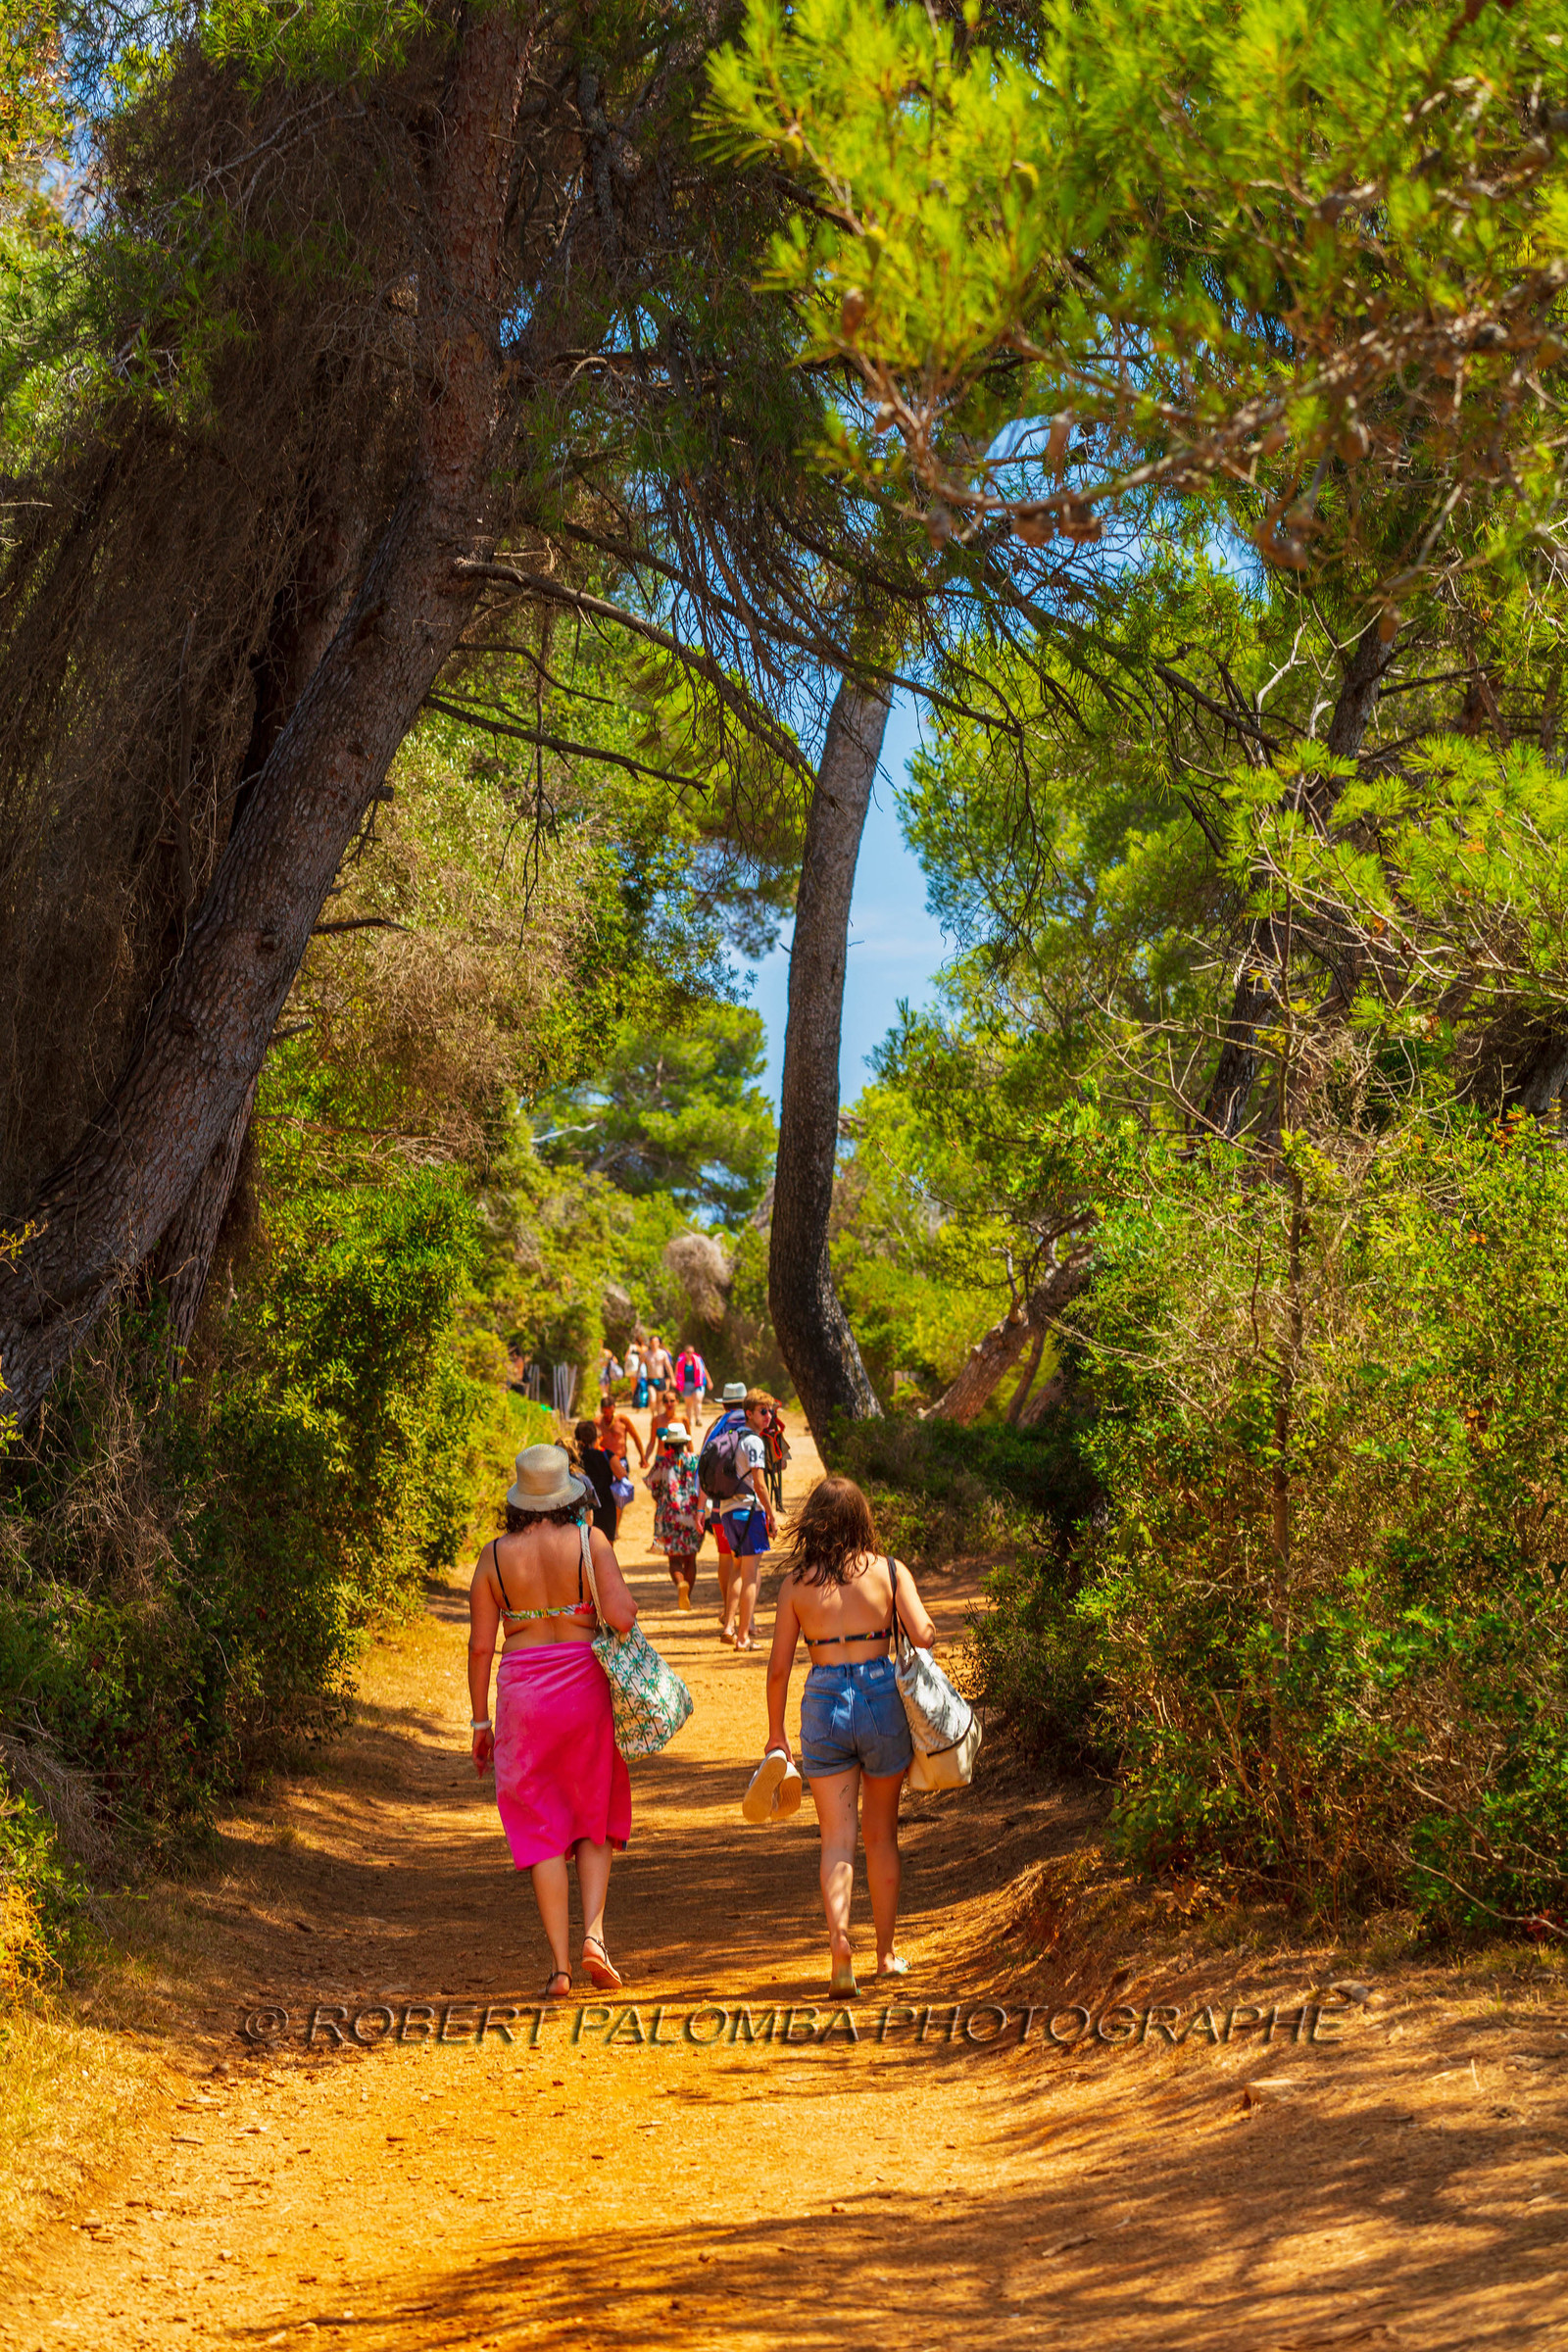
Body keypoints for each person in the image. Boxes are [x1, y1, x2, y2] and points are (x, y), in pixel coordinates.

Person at [467, 1444, 640, 1998]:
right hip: (584, 1687)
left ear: (520, 1499)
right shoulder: (590, 1542)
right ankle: (594, 1935)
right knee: (592, 1809)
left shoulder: (493, 1558)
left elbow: (478, 1647)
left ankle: (561, 1968)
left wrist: (478, 1723)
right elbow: (620, 1615)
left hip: (522, 1696)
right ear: (566, 1494)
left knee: (539, 1825)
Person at [759, 1475, 937, 1995]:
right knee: (881, 1836)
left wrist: (776, 1735)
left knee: (836, 1839)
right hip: (881, 1697)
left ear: (814, 1521)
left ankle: (840, 1944)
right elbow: (923, 1634)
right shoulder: (888, 1571)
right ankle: (885, 1955)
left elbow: (777, 1669)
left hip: (824, 1699)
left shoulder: (796, 1585)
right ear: (862, 1519)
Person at [710, 1387, 777, 1649]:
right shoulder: (754, 1442)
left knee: (738, 1569)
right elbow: (759, 1484)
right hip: (749, 1511)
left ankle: (730, 1624)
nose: (768, 1416)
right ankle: (743, 1636)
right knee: (751, 1574)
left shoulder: (731, 1436)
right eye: (763, 1412)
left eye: (770, 1411)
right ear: (749, 1413)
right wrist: (771, 1515)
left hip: (727, 1512)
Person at [646, 1423, 706, 1607]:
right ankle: (688, 1592)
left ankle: (681, 1584)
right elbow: (703, 1484)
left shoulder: (662, 1463)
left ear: (669, 1444)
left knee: (674, 1558)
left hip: (669, 1515)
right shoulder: (695, 1460)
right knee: (690, 1558)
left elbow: (653, 1486)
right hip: (692, 1513)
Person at [595, 1393, 649, 1537]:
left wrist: (642, 1457)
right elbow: (593, 1443)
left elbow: (635, 1436)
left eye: (609, 1411)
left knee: (620, 1495)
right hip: (604, 1463)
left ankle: (616, 1528)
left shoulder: (623, 1420)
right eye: (604, 1411)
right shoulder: (597, 1423)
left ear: (614, 1408)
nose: (607, 1414)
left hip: (621, 1462)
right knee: (605, 1497)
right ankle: (606, 1528)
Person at [572, 1419, 618, 1543]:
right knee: (606, 1548)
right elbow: (621, 1473)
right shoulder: (606, 1455)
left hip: (584, 1507)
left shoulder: (575, 1459)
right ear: (595, 1437)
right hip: (606, 1505)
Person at [672, 1341, 709, 1436]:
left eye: (692, 1352)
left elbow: (704, 1370)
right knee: (688, 1404)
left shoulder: (698, 1360)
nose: (690, 1354)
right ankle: (689, 1420)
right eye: (688, 1352)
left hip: (698, 1384)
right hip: (686, 1385)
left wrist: (709, 1381)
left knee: (698, 1399)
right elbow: (676, 1372)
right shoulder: (680, 1361)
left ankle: (698, 1418)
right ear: (684, 1353)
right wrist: (674, 1381)